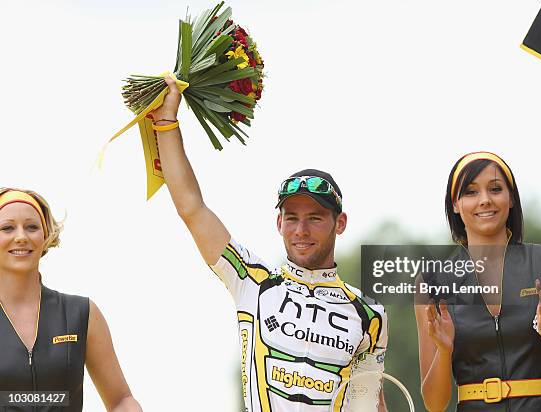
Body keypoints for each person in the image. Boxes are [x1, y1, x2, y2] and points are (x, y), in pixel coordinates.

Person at [150, 77, 389, 411]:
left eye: (315, 218)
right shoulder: (252, 281)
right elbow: (191, 207)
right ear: (279, 223)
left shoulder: (369, 315)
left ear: (340, 223)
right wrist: (165, 123)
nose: (301, 230)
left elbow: (366, 404)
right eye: (291, 218)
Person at [414, 152, 541, 411]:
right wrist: (443, 349)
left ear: (511, 199)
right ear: (455, 204)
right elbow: (434, 404)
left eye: (495, 189)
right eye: (471, 192)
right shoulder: (431, 281)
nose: (485, 200)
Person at [0, 188, 142, 412]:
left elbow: (121, 400)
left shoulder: (81, 313)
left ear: (46, 235)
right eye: (7, 228)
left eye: (32, 227)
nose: (21, 236)